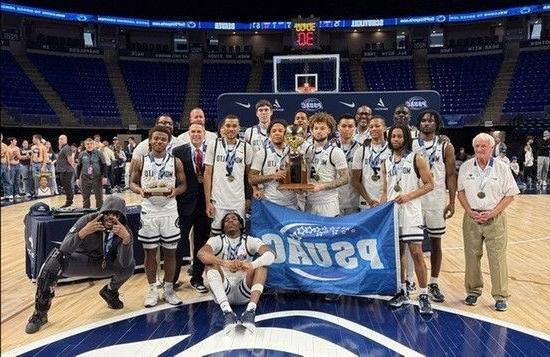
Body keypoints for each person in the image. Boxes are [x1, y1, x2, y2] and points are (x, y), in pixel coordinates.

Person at [25, 196, 135, 334]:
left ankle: (110, 291)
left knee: (130, 265)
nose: (111, 217)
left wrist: (126, 240)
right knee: (55, 259)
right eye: (108, 213)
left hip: (104, 264)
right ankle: (40, 314)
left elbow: (124, 263)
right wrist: (83, 233)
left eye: (116, 214)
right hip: (81, 261)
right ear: (102, 212)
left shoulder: (124, 231)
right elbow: (64, 247)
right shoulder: (87, 220)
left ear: (122, 216)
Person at [457, 133, 519, 311]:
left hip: (495, 218)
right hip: (472, 218)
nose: (479, 149)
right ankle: (473, 291)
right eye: (476, 146)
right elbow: (460, 192)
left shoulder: (501, 167)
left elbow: (510, 194)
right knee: (471, 256)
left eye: (483, 146)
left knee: (497, 257)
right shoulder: (466, 167)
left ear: (491, 148)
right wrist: (469, 211)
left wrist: (493, 212)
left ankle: (500, 295)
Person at [130, 126, 187, 307]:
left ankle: (169, 289)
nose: (159, 141)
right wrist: (139, 190)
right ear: (150, 140)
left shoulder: (176, 161)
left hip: (169, 209)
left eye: (163, 139)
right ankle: (152, 289)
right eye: (156, 138)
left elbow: (183, 185)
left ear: (168, 142)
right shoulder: (140, 161)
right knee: (150, 252)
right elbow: (131, 182)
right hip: (149, 210)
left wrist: (175, 191)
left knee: (170, 252)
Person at [381, 123, 434, 315]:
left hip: (411, 211)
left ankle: (423, 294)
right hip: (393, 213)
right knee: (399, 255)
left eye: (399, 136)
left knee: (417, 253)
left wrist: (408, 196)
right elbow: (384, 190)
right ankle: (402, 291)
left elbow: (429, 185)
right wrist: (380, 210)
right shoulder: (386, 161)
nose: (396, 139)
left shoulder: (416, 158)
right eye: (393, 136)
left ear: (406, 138)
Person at [197, 212, 275, 332]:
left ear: (241, 224)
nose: (230, 221)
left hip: (244, 289)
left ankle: (250, 311)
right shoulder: (216, 240)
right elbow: (201, 254)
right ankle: (227, 312)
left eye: (234, 219)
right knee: (210, 264)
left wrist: (250, 265)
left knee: (262, 266)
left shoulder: (250, 240)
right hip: (223, 289)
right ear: (223, 227)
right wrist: (224, 263)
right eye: (227, 220)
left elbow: (271, 254)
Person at [412, 110, 456, 303]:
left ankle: (434, 282)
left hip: (436, 200)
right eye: (423, 120)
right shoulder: (411, 143)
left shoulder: (445, 145)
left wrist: (452, 201)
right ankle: (409, 281)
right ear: (418, 123)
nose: (427, 123)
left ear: (437, 124)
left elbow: (451, 175)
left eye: (431, 120)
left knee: (436, 243)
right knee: (411, 243)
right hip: (415, 199)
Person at [172, 123, 213, 293]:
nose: (196, 134)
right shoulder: (178, 151)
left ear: (204, 134)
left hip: (205, 204)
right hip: (184, 204)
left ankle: (197, 278)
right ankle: (171, 279)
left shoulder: (212, 149)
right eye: (193, 131)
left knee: (201, 243)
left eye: (199, 131)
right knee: (179, 242)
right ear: (188, 134)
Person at [204, 115, 253, 236]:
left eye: (234, 126)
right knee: (216, 236)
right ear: (223, 128)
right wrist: (208, 202)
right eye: (228, 126)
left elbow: (249, 176)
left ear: (238, 128)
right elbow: (207, 174)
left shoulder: (246, 147)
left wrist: (248, 198)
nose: (231, 129)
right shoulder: (213, 145)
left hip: (238, 201)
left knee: (238, 235)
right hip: (218, 200)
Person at [304, 112, 349, 217]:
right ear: (311, 130)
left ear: (329, 130)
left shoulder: (335, 151)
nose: (318, 131)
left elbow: (345, 178)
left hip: (328, 203)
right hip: (309, 201)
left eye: (322, 128)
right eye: (316, 128)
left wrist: (322, 186)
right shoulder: (307, 150)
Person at [249, 120, 298, 209]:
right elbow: (251, 179)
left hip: (292, 203)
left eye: (280, 131)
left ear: (286, 134)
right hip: (270, 202)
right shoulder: (262, 153)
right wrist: (273, 176)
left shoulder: (294, 152)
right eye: (274, 131)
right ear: (269, 135)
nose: (277, 133)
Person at [352, 115, 391, 211]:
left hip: (388, 201)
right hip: (367, 202)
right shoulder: (361, 150)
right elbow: (355, 180)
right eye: (371, 126)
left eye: (377, 126)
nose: (374, 129)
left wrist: (384, 200)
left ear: (385, 128)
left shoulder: (392, 150)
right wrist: (369, 200)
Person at [333, 114, 361, 215]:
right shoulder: (329, 148)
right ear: (338, 127)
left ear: (355, 128)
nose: (347, 129)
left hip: (354, 200)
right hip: (334, 200)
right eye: (344, 126)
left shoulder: (361, 149)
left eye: (350, 126)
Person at [76, 138, 107, 209]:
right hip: (85, 178)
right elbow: (79, 167)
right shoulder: (81, 154)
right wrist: (77, 178)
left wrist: (105, 177)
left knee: (99, 198)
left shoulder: (99, 153)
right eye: (87, 144)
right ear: (85, 145)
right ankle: (86, 213)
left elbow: (104, 165)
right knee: (85, 198)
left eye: (91, 144)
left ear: (94, 145)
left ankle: (99, 212)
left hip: (97, 178)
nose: (89, 145)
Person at [56, 135, 75, 208]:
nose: (60, 140)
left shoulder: (66, 148)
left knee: (67, 187)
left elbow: (69, 158)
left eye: (62, 139)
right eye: (59, 139)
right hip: (63, 170)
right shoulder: (63, 148)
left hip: (66, 170)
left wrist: (73, 166)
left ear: (66, 140)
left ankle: (69, 202)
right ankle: (69, 201)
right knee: (66, 186)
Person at [1, 133, 12, 201]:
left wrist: (8, 165)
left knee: (7, 180)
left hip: (5, 165)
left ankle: (7, 195)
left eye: (1, 137)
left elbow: (7, 156)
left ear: (2, 137)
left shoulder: (5, 145)